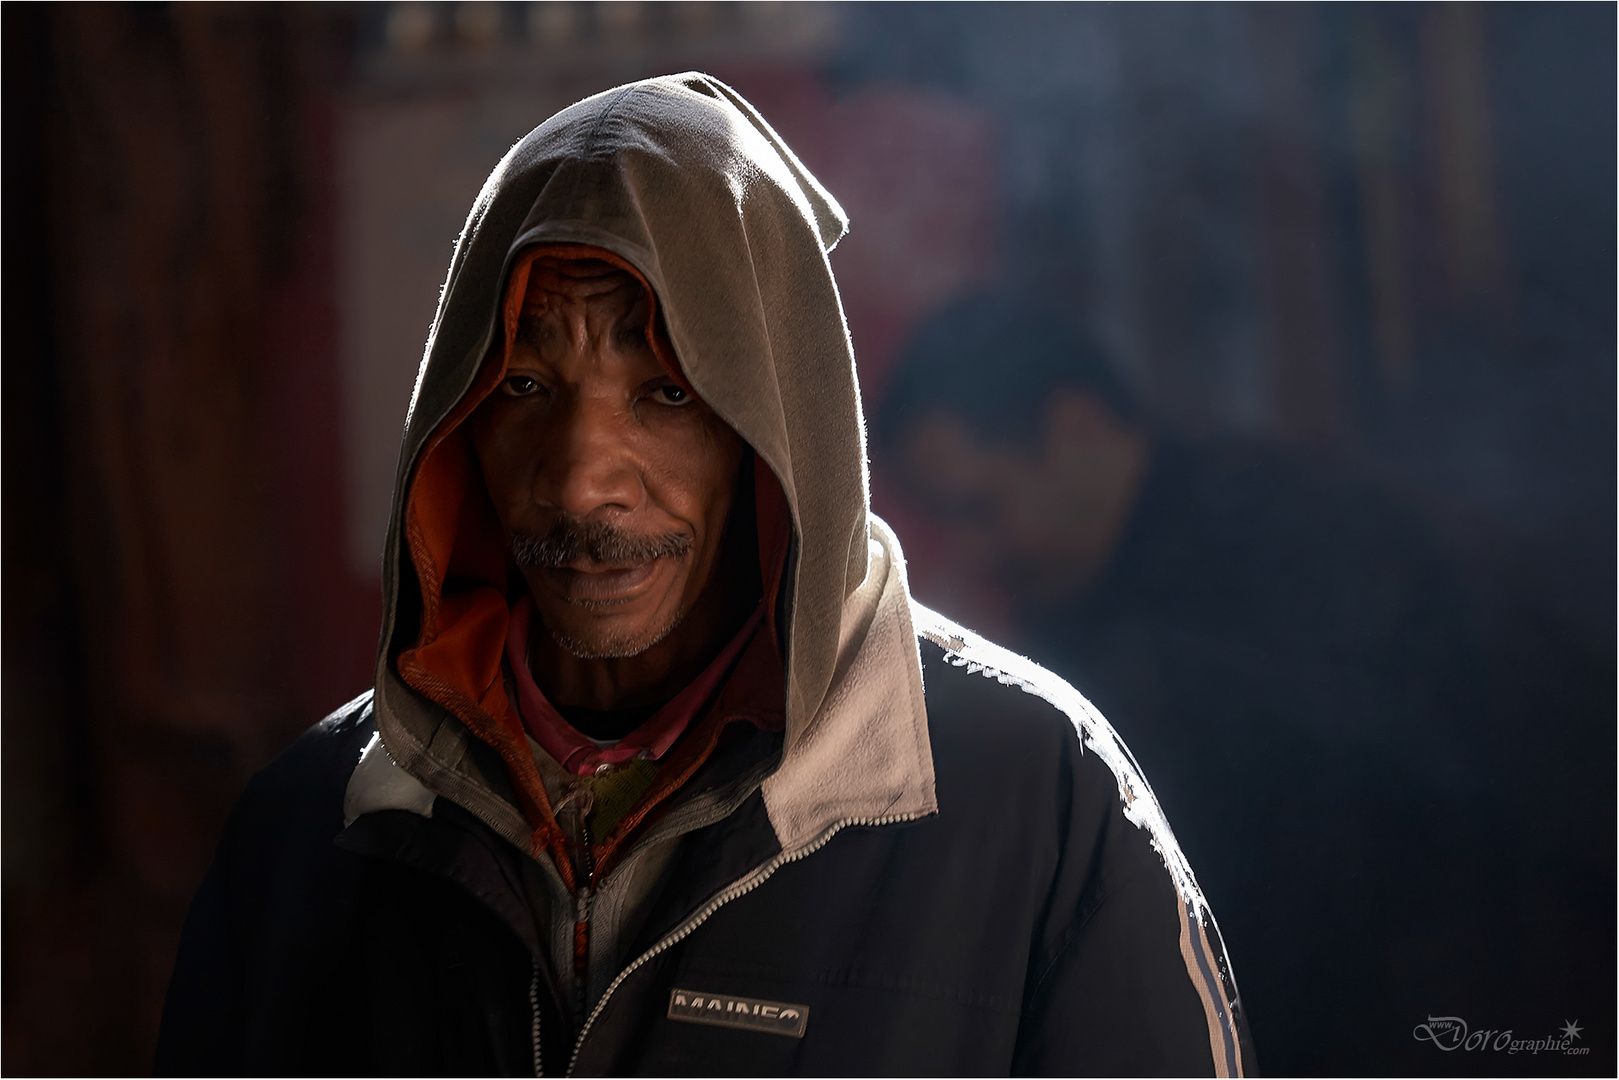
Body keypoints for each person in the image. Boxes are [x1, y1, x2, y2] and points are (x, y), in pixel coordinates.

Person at [155, 73, 1252, 1076]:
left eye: (666, 393)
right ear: (454, 426)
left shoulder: (1034, 800)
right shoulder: (310, 829)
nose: (581, 483)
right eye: (526, 388)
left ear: (780, 433)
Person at [876, 290, 1494, 1073]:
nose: (971, 552)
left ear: (1075, 430)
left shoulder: (1307, 555)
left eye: (981, 508)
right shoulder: (1072, 610)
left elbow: (1372, 884)